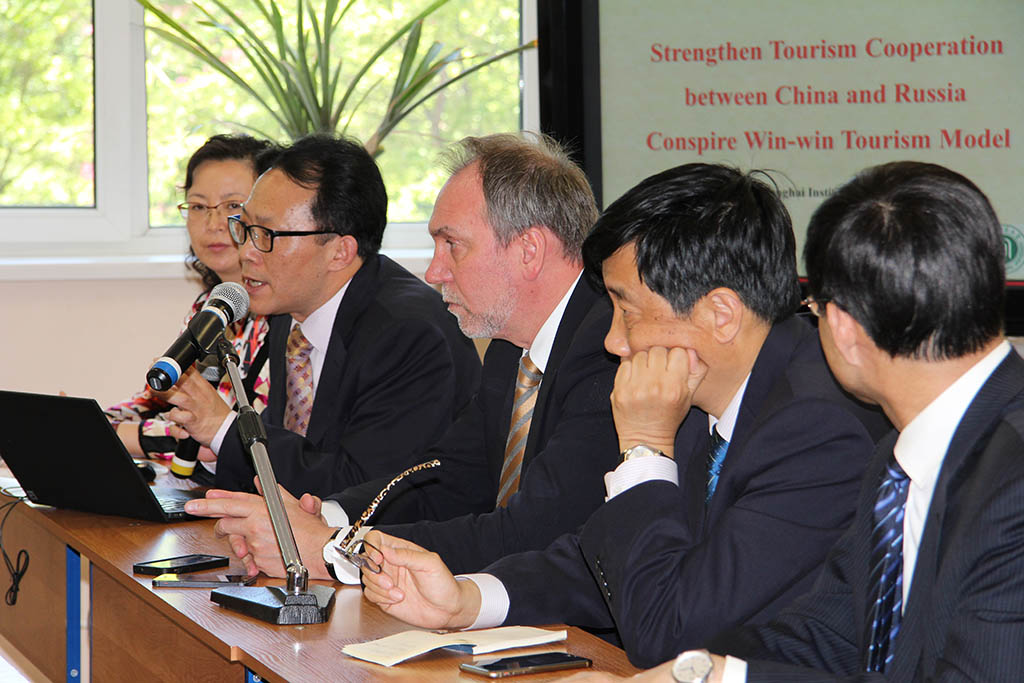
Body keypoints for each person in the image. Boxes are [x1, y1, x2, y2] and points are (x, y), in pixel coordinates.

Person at [359, 163, 890, 666]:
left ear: (721, 314)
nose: (613, 341)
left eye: (627, 310)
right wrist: (467, 600)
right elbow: (608, 556)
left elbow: (669, 631)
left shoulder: (818, 432)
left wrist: (644, 445)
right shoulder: (701, 391)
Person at [183, 132, 621, 582]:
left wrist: (336, 551)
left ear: (529, 250)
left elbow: (531, 534)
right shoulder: (511, 349)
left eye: (452, 245)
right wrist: (323, 517)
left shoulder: (609, 352)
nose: (434, 272)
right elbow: (445, 480)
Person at [161, 133, 482, 499]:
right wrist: (221, 451)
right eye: (245, 228)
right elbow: (307, 457)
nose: (246, 251)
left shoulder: (409, 333)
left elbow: (363, 490)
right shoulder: (290, 311)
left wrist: (224, 429)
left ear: (339, 252)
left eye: (265, 234)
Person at [105, 134, 276, 478]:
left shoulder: (280, 311)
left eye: (232, 206)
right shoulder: (210, 305)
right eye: (198, 207)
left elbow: (233, 431)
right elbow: (160, 397)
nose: (213, 224)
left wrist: (123, 437)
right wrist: (93, 423)